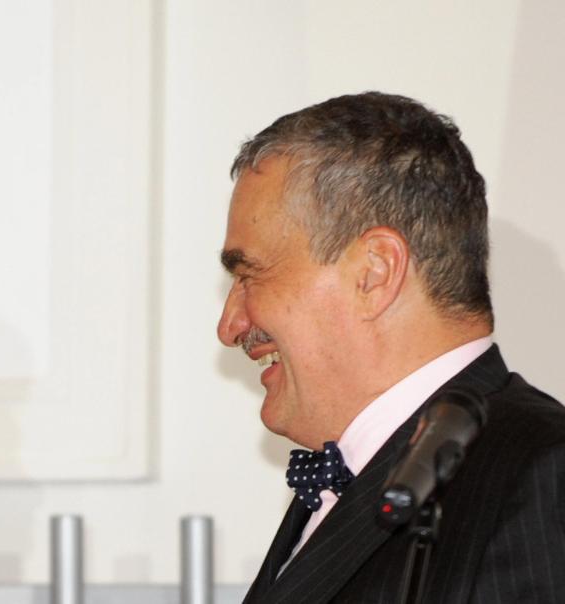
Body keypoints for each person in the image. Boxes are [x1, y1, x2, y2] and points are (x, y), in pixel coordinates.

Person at [217, 92, 565, 602]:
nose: (230, 326)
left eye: (251, 274)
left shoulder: (542, 479)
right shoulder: (355, 472)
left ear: (374, 272)